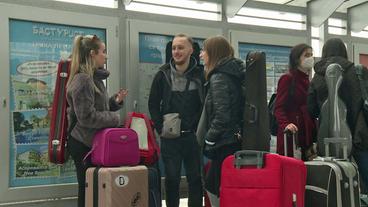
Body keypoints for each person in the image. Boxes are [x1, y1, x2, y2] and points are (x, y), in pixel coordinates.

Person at [66, 34, 128, 207]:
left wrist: (114, 102)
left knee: (92, 188)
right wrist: (114, 118)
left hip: (90, 142)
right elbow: (87, 117)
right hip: (82, 143)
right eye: (103, 51)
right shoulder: (83, 80)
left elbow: (96, 109)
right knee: (87, 190)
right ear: (92, 53)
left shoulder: (93, 79)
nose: (106, 56)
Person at [148, 33, 204, 207]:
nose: (176, 51)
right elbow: (153, 104)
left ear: (190, 50)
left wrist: (201, 129)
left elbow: (206, 104)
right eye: (174, 48)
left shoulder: (201, 74)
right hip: (170, 138)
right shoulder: (162, 74)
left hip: (193, 138)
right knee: (171, 180)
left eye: (181, 47)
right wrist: (160, 128)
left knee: (195, 179)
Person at [307, 37, 368, 190]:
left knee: (335, 181)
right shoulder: (357, 71)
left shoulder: (317, 76)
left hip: (327, 137)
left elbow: (311, 109)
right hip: (358, 134)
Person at [198, 36, 244, 206]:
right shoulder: (233, 74)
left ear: (213, 53)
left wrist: (209, 138)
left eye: (204, 50)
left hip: (224, 142)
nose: (201, 55)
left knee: (212, 186)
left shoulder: (218, 77)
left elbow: (222, 115)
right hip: (234, 140)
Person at [274, 43, 316, 160]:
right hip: (291, 135)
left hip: (306, 134)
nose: (310, 58)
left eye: (311, 55)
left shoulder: (308, 80)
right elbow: (278, 108)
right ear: (297, 59)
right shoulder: (287, 79)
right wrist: (286, 124)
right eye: (306, 55)